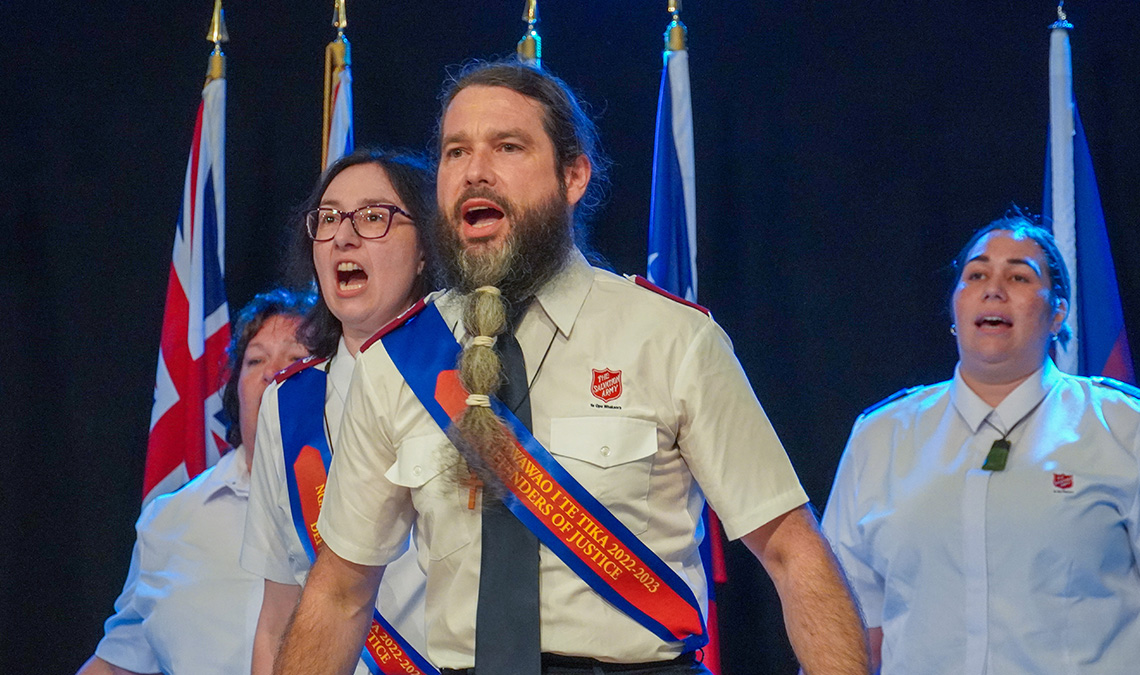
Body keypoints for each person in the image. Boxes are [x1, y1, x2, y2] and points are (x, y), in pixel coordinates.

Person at [274, 59, 868, 675]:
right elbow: (340, 591)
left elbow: (792, 552)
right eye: (455, 152)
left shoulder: (671, 338)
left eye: (507, 146)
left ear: (573, 175)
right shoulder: (396, 361)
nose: (475, 170)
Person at [822, 214, 1140, 674]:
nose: (993, 289)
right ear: (955, 308)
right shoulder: (879, 438)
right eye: (976, 275)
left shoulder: (1128, 428)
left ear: (1058, 310)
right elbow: (848, 637)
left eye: (1019, 276)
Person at [238, 150, 436, 674]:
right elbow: (278, 620)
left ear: (425, 251)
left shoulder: (471, 380)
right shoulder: (288, 404)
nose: (343, 237)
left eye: (374, 216)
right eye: (328, 218)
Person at [77, 288, 313, 675]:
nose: (273, 373)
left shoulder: (371, 501)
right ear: (236, 390)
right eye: (256, 360)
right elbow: (119, 663)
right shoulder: (170, 518)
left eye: (296, 359)